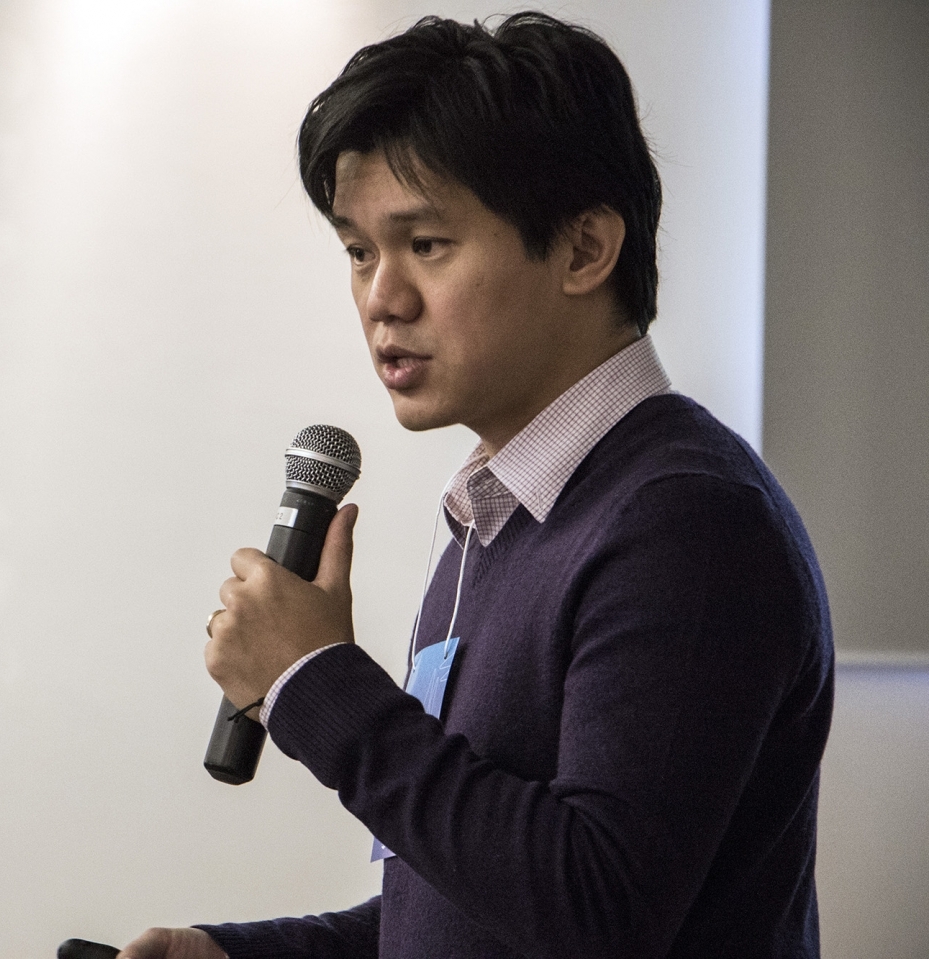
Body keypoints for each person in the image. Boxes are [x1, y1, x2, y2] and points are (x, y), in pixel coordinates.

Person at [124, 12, 833, 959]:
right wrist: (235, 954)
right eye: (358, 251)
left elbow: (597, 910)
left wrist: (312, 681)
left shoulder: (685, 519)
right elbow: (470, 914)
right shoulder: (500, 516)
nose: (382, 298)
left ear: (583, 249)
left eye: (425, 243)